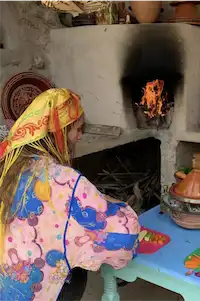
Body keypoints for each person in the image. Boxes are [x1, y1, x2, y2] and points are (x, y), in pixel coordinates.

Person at [0, 88, 140, 301]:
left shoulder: (9, 165)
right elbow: (124, 236)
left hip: (6, 282)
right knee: (76, 271)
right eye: (77, 129)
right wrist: (116, 204)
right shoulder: (63, 180)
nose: (80, 136)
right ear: (59, 132)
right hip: (40, 290)